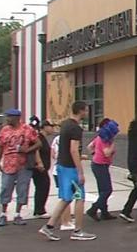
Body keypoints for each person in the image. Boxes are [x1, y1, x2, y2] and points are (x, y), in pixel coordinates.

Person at [38, 101, 97, 241]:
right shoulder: (76, 128)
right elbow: (73, 149)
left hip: (62, 166)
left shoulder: (65, 124)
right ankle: (78, 230)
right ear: (81, 111)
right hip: (71, 169)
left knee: (66, 198)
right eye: (86, 111)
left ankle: (49, 226)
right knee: (80, 198)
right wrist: (80, 172)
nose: (87, 113)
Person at [0, 108, 40, 227]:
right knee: (5, 188)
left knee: (22, 189)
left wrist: (27, 150)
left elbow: (38, 143)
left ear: (17, 118)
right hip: (8, 165)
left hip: (23, 165)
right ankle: (3, 214)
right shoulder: (5, 130)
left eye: (9, 117)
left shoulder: (27, 129)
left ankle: (18, 214)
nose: (7, 119)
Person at [84, 118, 119, 222]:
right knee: (107, 190)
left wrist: (94, 154)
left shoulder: (101, 137)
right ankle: (93, 209)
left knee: (102, 190)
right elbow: (107, 153)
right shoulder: (105, 139)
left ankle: (104, 212)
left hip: (99, 164)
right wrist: (113, 143)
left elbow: (89, 146)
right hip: (100, 165)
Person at [48, 129, 74, 230]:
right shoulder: (67, 141)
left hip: (57, 169)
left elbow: (53, 155)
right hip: (64, 171)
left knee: (65, 196)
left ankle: (67, 220)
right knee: (67, 197)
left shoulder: (56, 139)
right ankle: (65, 222)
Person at [31, 118, 55, 219]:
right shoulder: (39, 137)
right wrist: (39, 163)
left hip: (43, 167)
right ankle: (39, 210)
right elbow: (36, 151)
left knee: (43, 186)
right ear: (44, 127)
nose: (53, 129)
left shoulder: (44, 138)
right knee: (43, 186)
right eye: (51, 126)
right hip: (39, 168)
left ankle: (39, 209)